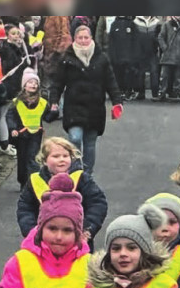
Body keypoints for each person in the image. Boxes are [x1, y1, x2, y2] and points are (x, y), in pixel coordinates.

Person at [47, 21, 124, 176]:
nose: (83, 41)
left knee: (89, 143)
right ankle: (76, 170)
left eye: (86, 37)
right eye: (80, 38)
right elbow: (57, 82)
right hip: (74, 106)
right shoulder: (67, 58)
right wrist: (54, 101)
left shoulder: (101, 58)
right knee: (75, 138)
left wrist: (117, 102)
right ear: (75, 39)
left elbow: (110, 81)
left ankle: (87, 174)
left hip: (94, 107)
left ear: (91, 38)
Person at [16, 136, 108, 243]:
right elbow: (25, 208)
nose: (61, 159)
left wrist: (87, 228)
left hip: (78, 240)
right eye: (56, 156)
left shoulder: (81, 178)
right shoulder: (35, 181)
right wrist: (31, 231)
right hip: (43, 240)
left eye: (65, 156)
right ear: (44, 160)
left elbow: (97, 203)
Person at [5, 68, 58, 187]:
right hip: (21, 135)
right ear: (24, 85)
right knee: (22, 159)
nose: (33, 85)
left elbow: (47, 118)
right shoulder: (16, 102)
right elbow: (10, 117)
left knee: (32, 158)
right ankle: (23, 181)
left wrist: (54, 112)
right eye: (30, 82)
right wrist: (13, 129)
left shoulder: (42, 102)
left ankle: (33, 183)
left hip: (35, 135)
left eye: (35, 83)